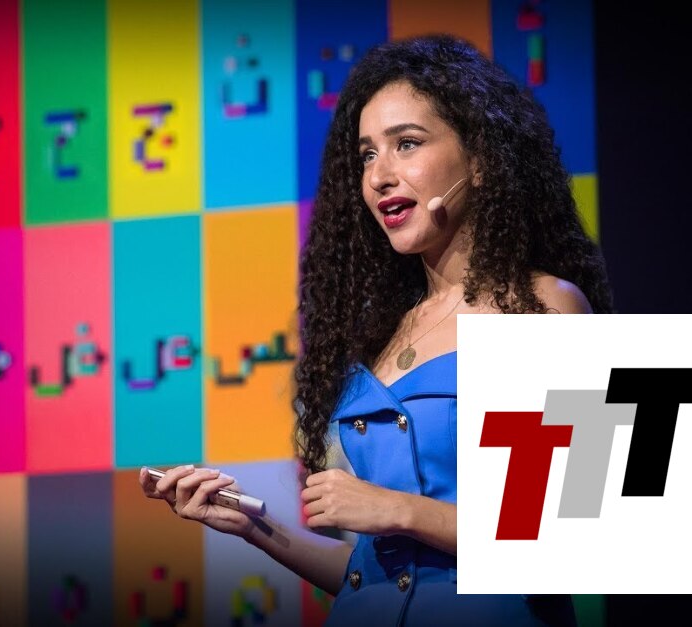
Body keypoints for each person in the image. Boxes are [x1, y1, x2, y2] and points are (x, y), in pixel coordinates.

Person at [139, 33, 613, 626]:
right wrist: (255, 527)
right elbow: (374, 575)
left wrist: (397, 510)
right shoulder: (384, 334)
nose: (379, 176)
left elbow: (571, 538)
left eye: (406, 144)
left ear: (481, 160)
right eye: (367, 155)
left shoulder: (544, 306)